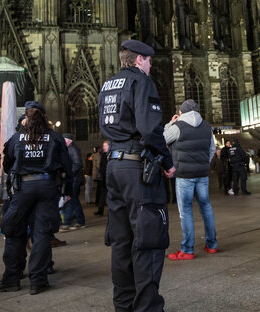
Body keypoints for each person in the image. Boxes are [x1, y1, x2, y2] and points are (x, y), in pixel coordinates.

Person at [98, 39, 175, 311]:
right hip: (137, 168)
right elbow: (150, 129)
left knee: (121, 241)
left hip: (114, 165)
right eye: (150, 61)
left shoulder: (108, 85)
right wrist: (167, 160)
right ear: (139, 59)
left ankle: (124, 305)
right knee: (148, 239)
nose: (151, 65)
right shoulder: (141, 82)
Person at [0, 101, 73, 295]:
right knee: (42, 234)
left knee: (12, 230)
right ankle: (38, 280)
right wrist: (65, 191)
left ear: (26, 118)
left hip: (24, 187)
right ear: (45, 118)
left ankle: (12, 278)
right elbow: (67, 167)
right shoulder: (54, 137)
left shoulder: (18, 138)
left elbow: (8, 163)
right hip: (47, 186)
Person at [163, 99, 217, 260]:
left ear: (181, 112)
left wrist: (169, 124)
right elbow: (212, 149)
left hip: (184, 176)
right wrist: (202, 163)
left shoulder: (178, 126)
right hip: (202, 174)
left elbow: (162, 140)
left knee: (185, 212)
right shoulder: (207, 126)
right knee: (206, 208)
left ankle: (187, 249)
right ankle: (212, 245)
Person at [61, 133, 85, 230]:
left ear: (68, 140)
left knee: (70, 199)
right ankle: (80, 221)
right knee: (74, 200)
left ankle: (67, 222)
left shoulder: (73, 149)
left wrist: (69, 172)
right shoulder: (70, 149)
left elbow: (78, 164)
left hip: (74, 178)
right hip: (73, 178)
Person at [93, 141, 108, 216]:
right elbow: (101, 167)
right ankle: (100, 210)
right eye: (103, 145)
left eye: (105, 145)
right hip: (104, 178)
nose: (104, 147)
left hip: (109, 178)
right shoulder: (102, 155)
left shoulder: (110, 154)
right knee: (102, 195)